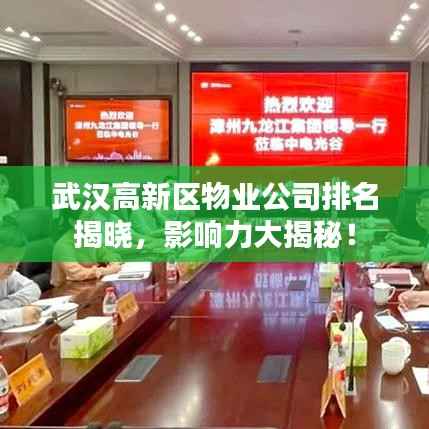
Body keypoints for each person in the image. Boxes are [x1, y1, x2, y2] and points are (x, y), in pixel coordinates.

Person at [50, 209, 121, 287]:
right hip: (66, 289)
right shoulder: (63, 245)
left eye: (93, 216)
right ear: (73, 222)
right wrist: (104, 271)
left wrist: (113, 263)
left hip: (89, 284)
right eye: (88, 218)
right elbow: (76, 274)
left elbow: (107, 253)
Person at [0, 222, 41, 330]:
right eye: (9, 259)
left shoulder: (7, 273)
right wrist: (19, 316)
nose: (14, 266)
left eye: (17, 259)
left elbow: (33, 288)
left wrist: (5, 305)